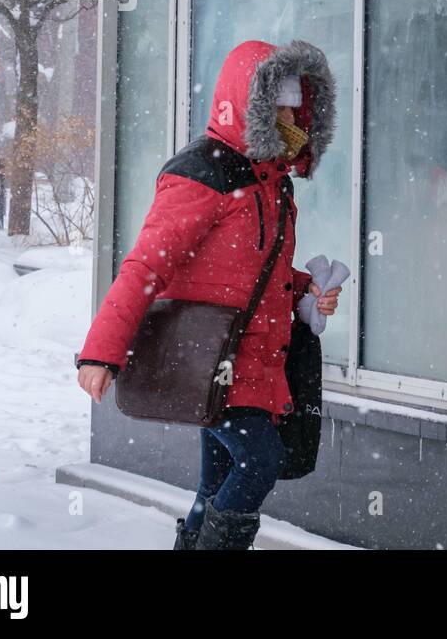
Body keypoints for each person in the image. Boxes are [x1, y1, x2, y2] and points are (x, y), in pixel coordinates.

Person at [75, 39, 339, 550]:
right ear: (251, 106)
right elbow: (145, 267)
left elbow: (260, 271)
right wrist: (101, 353)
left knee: (215, 483)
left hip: (255, 361)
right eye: (280, 108)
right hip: (212, 360)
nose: (292, 120)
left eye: (297, 109)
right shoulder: (202, 173)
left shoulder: (273, 184)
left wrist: (306, 291)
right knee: (259, 463)